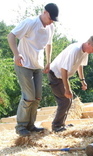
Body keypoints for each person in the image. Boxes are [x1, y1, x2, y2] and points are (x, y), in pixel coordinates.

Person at [7, 3, 59, 136]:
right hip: (23, 64)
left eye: (53, 19)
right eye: (50, 18)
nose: (51, 21)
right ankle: (21, 127)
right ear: (45, 12)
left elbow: (49, 44)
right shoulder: (30, 22)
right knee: (28, 97)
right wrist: (16, 54)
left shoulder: (50, 27)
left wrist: (48, 61)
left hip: (37, 65)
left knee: (37, 98)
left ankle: (30, 125)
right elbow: (11, 36)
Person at [48, 34, 93, 132]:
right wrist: (67, 89)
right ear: (89, 43)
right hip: (55, 75)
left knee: (68, 100)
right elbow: (63, 70)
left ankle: (61, 124)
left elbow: (80, 65)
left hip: (61, 75)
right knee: (65, 101)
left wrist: (82, 80)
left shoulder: (85, 51)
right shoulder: (75, 50)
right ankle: (56, 126)